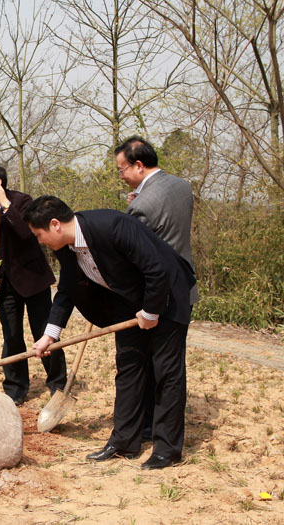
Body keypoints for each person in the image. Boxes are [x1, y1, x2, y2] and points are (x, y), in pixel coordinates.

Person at [24, 196, 195, 470]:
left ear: (55, 224)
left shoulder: (112, 226)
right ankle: (125, 442)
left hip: (168, 295)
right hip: (129, 303)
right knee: (128, 368)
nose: (40, 241)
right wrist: (50, 335)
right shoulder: (66, 248)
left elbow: (156, 268)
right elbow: (67, 289)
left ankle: (167, 450)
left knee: (166, 372)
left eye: (39, 234)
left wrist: (151, 312)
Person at [116, 135, 199, 441]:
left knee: (159, 369)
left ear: (138, 165)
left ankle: (159, 435)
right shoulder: (182, 186)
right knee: (168, 366)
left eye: (122, 169)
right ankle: (154, 428)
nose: (121, 176)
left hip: (158, 295)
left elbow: (135, 250)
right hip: (184, 287)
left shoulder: (142, 207)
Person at [0, 163, 66, 405]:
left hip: (33, 279)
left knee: (44, 332)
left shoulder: (23, 202)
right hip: (4, 285)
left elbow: (27, 234)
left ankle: (58, 384)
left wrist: (5, 205)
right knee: (12, 336)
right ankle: (15, 389)